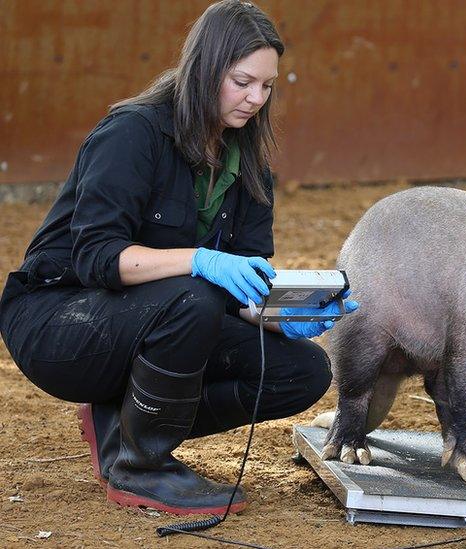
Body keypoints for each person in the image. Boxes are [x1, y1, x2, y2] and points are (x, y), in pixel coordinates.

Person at [0, 0, 357, 515]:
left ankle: (123, 426)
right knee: (191, 294)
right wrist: (200, 260)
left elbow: (239, 292)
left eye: (268, 86)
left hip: (161, 319)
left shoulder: (250, 166)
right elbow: (98, 258)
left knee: (301, 371)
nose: (256, 98)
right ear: (206, 69)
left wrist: (289, 312)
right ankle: (140, 468)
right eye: (242, 81)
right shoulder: (133, 132)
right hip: (60, 322)